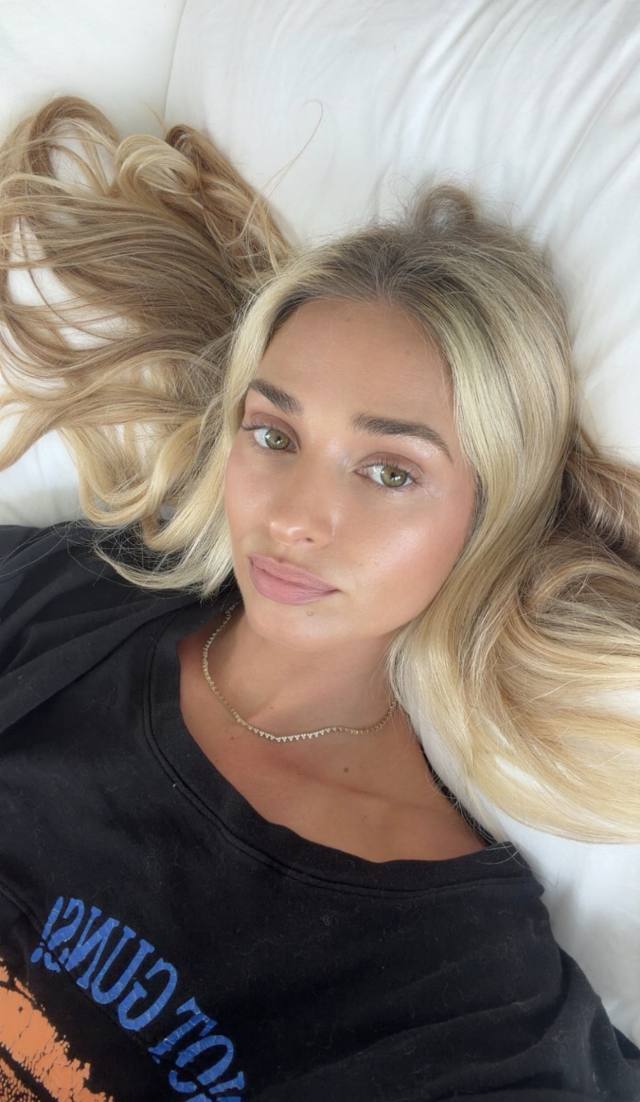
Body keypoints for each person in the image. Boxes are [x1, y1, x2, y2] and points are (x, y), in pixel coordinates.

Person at [0, 95, 639, 1101]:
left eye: (389, 471)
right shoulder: (71, 596)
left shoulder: (460, 982)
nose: (295, 518)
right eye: (274, 434)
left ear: (486, 513)